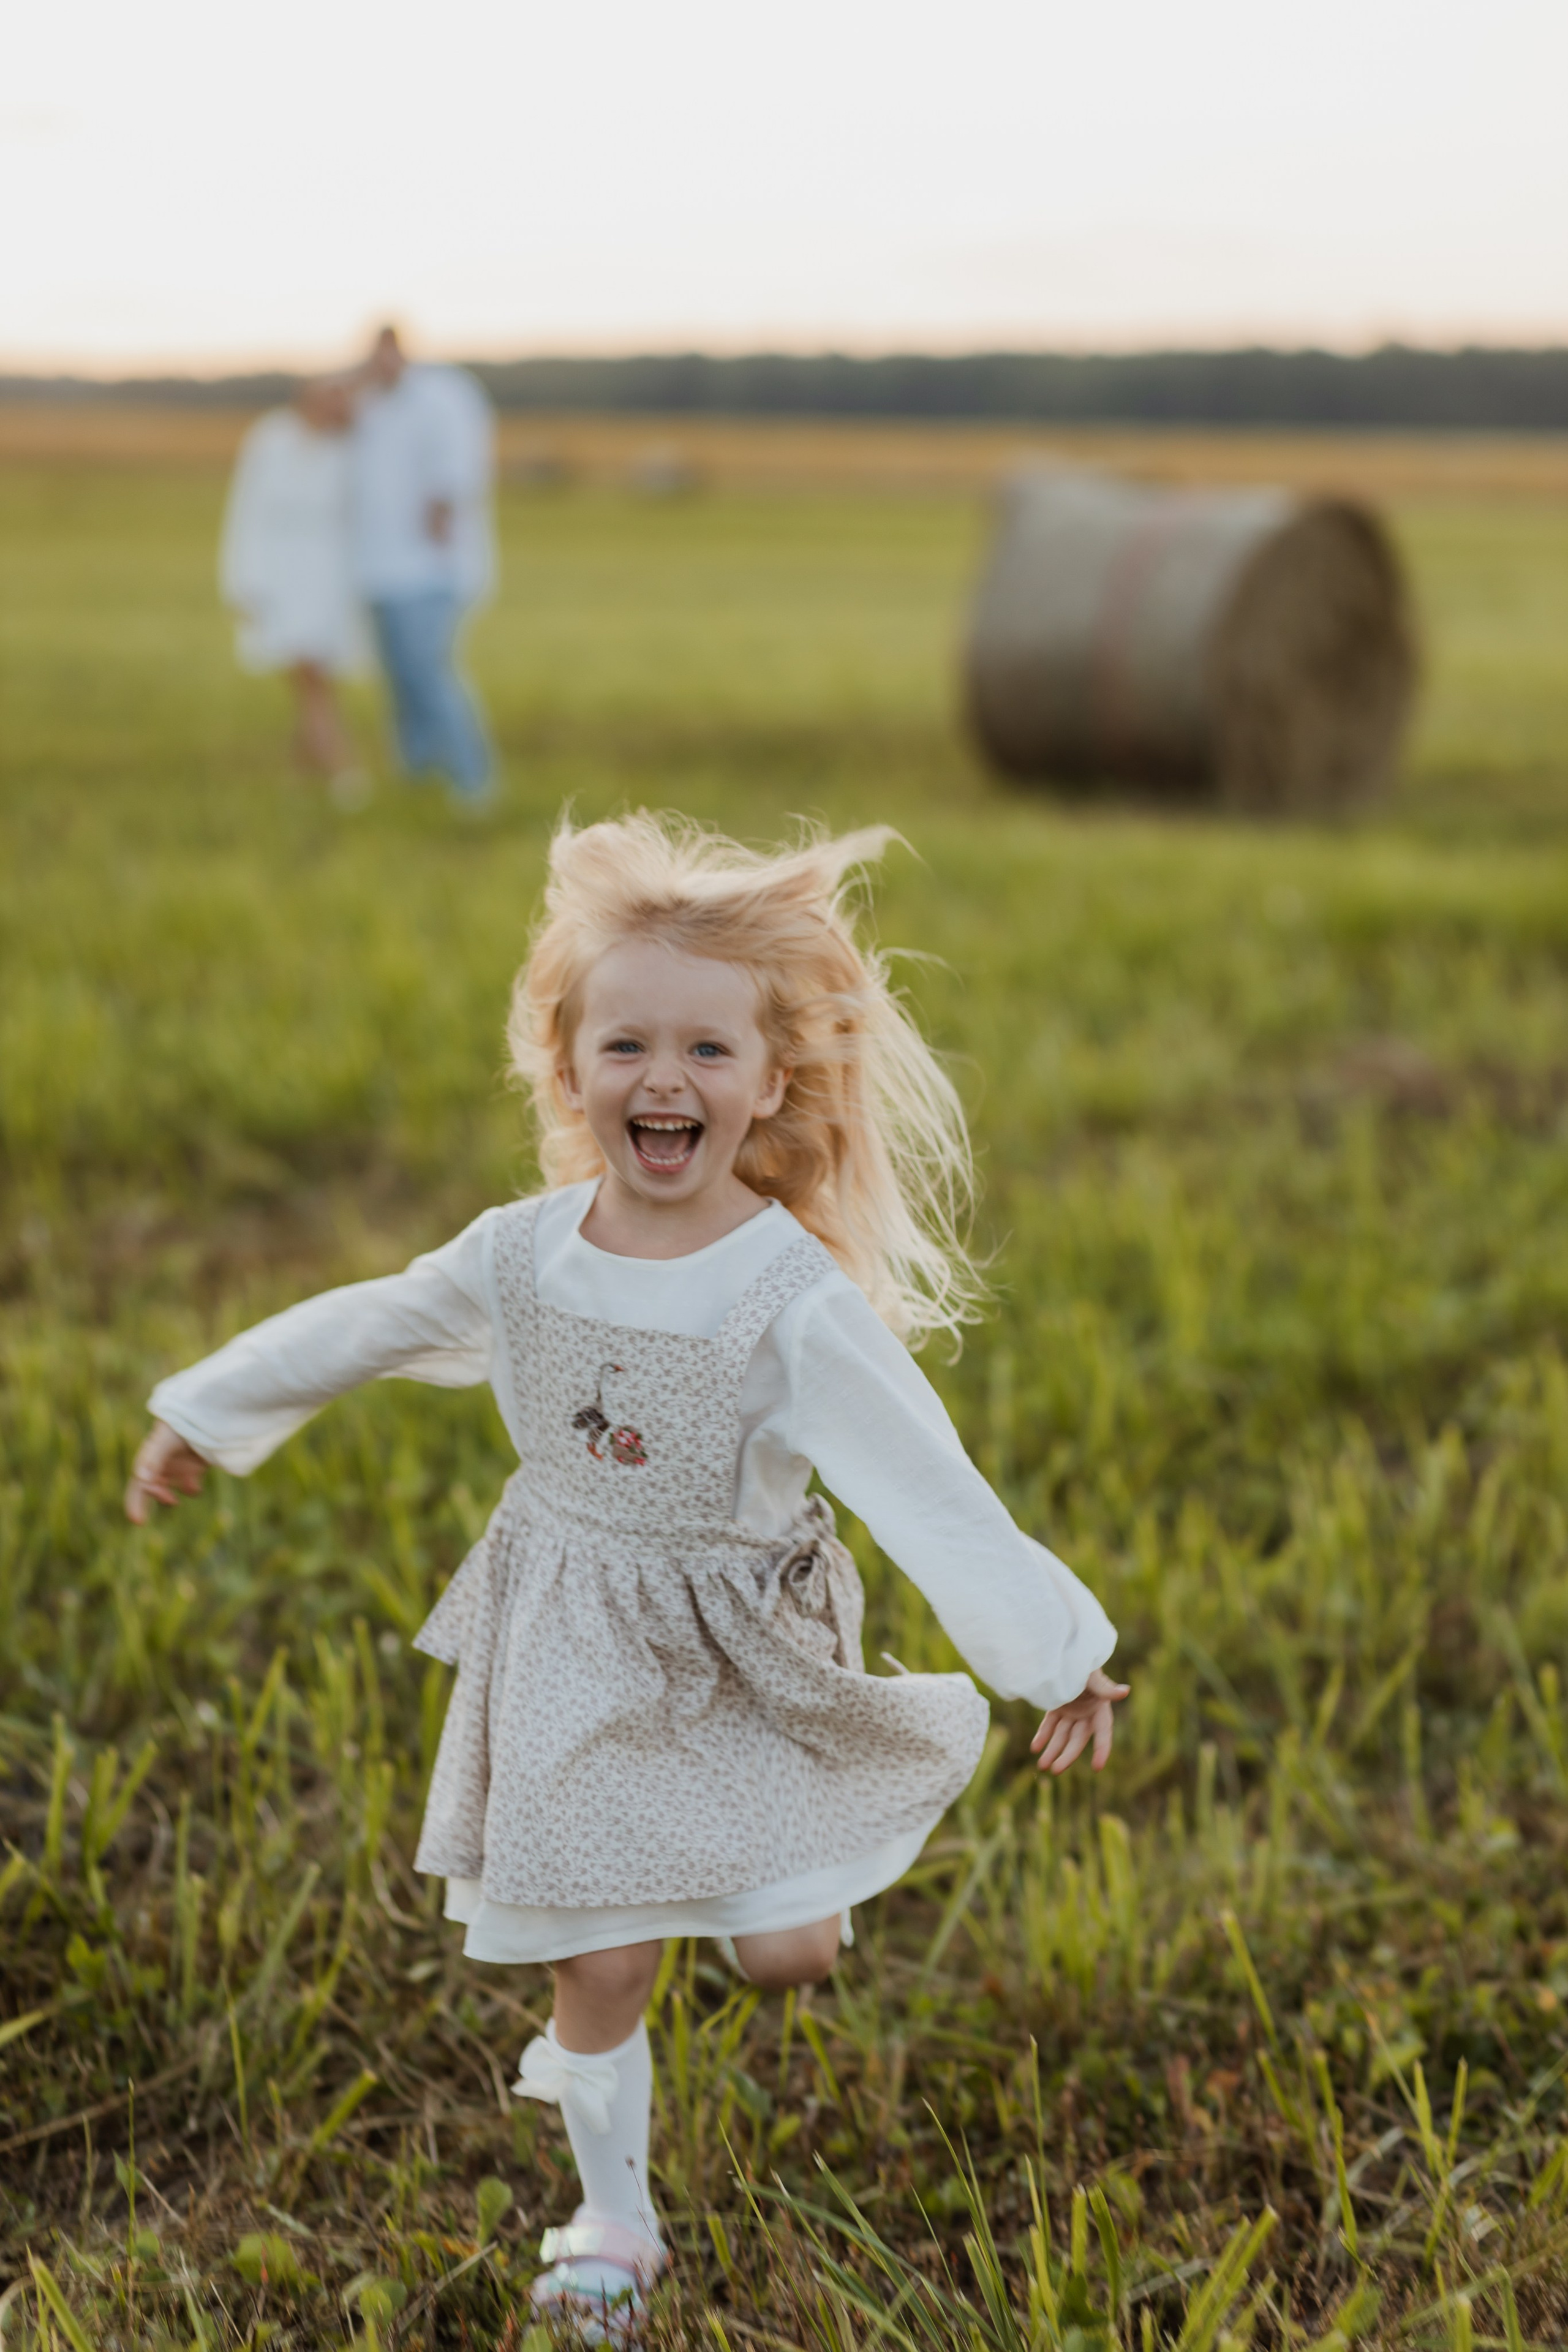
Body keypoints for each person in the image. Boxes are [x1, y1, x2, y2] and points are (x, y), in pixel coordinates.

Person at [125, 813, 1127, 2343]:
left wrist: (1054, 1650)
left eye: (708, 1050)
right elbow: (372, 1320)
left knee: (781, 1948)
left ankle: (777, 1895)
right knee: (602, 1951)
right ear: (569, 1064)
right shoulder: (521, 1254)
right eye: (627, 1043)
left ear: (768, 1083)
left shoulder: (792, 1296)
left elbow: (929, 1488)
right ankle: (612, 2218)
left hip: (743, 1640)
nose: (666, 1078)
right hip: (576, 1628)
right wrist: (205, 1408)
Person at [350, 324, 496, 804]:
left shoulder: (443, 395)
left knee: (430, 674)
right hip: (378, 568)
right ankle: (417, 777)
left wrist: (440, 516)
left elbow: (457, 469)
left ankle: (474, 784)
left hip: (433, 570)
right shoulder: (369, 404)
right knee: (401, 682)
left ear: (401, 349)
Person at [218, 377, 371, 801]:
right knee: (308, 676)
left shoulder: (349, 450)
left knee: (316, 678)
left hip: (328, 576)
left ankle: (303, 776)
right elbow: (245, 511)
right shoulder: (270, 438)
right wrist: (241, 580)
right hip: (279, 574)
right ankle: (346, 774)